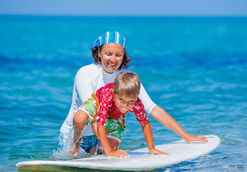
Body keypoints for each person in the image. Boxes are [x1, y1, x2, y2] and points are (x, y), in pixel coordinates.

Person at [59, 31, 207, 154]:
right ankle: (76, 150)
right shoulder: (86, 73)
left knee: (105, 158)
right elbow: (94, 115)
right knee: (87, 129)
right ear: (98, 52)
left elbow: (152, 108)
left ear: (124, 55)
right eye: (108, 53)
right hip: (77, 132)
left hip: (104, 130)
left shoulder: (126, 78)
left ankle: (97, 151)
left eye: (118, 55)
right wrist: (108, 150)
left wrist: (186, 136)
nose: (113, 59)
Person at [70, 72, 169, 157]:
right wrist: (110, 152)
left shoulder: (137, 104)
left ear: (136, 97)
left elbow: (144, 123)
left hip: (115, 117)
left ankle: (93, 150)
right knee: (79, 117)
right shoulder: (107, 95)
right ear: (114, 94)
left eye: (131, 101)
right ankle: (75, 146)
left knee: (107, 151)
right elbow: (101, 125)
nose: (125, 105)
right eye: (121, 99)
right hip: (97, 105)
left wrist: (151, 148)